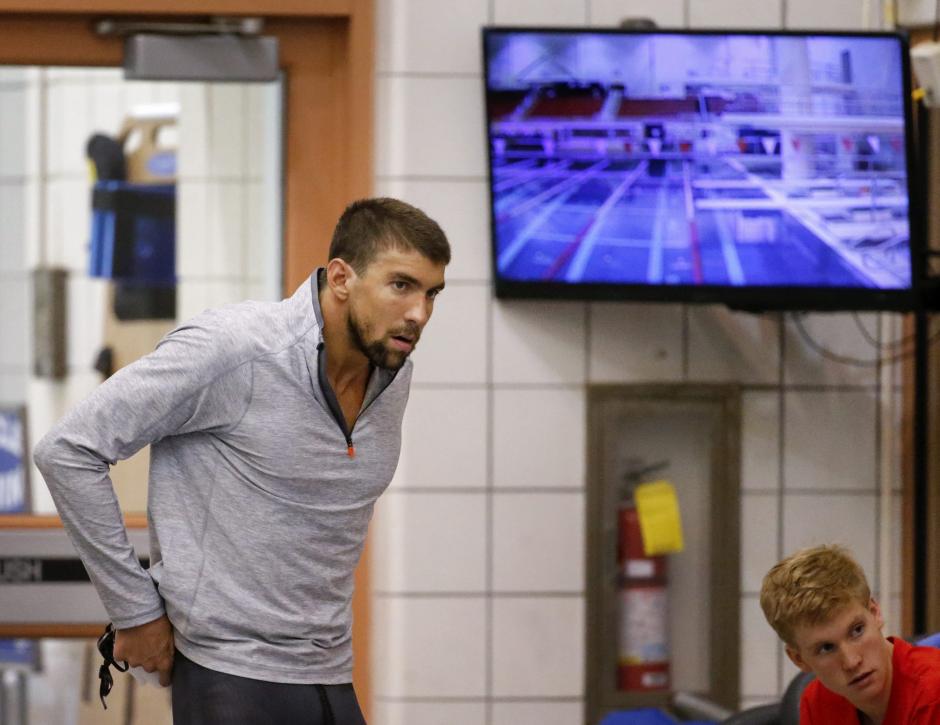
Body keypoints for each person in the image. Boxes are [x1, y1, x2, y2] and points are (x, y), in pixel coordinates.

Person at [34, 197, 450, 724]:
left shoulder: (392, 371)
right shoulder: (237, 349)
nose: (419, 313)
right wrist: (135, 611)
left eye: (432, 293)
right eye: (402, 285)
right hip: (229, 674)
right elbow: (68, 451)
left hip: (328, 671)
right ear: (342, 278)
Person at [759, 544, 940, 724]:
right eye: (826, 648)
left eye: (857, 630)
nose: (852, 662)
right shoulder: (817, 703)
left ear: (875, 612)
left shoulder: (934, 693)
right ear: (799, 659)